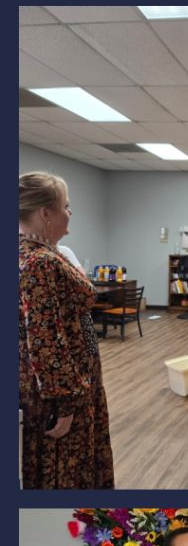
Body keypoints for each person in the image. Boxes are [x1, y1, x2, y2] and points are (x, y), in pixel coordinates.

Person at [19, 171, 114, 489]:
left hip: (44, 384)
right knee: (65, 472)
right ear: (45, 213)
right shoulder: (40, 262)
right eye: (65, 206)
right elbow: (45, 338)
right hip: (60, 393)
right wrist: (65, 404)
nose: (69, 213)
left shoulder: (27, 253)